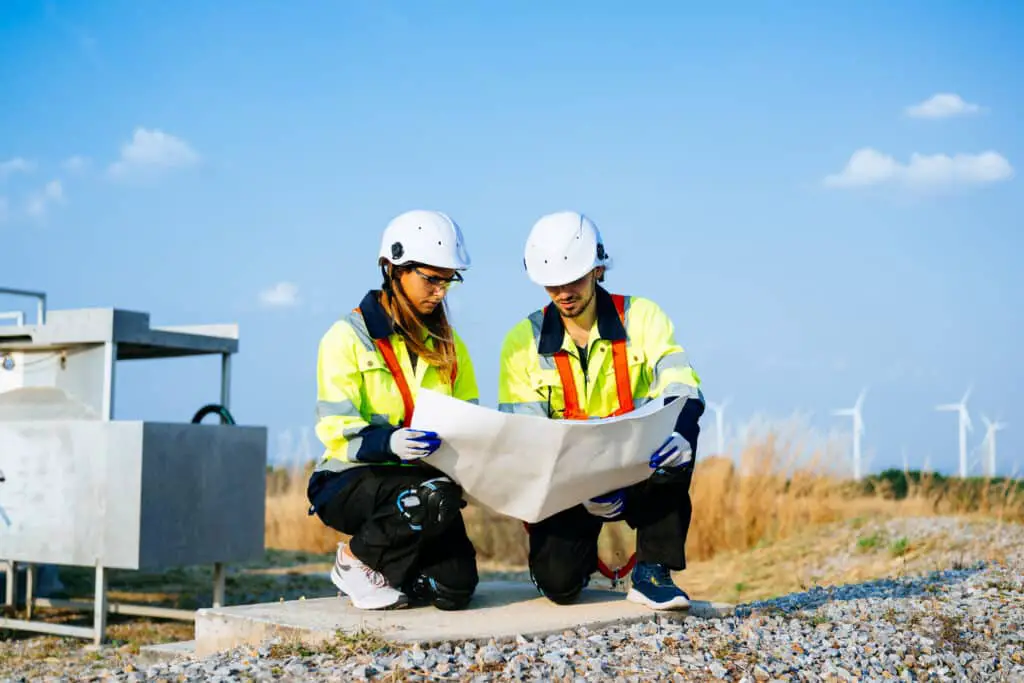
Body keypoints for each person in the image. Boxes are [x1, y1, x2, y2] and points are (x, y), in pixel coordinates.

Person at [497, 210, 705, 611]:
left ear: (597, 267)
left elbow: (682, 387)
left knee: (677, 452)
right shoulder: (521, 341)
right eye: (551, 284)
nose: (563, 293)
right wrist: (580, 487)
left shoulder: (642, 317)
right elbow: (527, 441)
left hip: (638, 469)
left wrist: (683, 434)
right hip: (568, 483)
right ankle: (568, 563)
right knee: (559, 586)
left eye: (573, 278)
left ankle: (653, 572)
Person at [306, 209, 480, 611]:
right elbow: (335, 427)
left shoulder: (450, 347)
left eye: (447, 280)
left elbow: (470, 419)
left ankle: (389, 573)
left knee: (454, 589)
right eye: (431, 279)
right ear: (393, 268)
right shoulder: (346, 338)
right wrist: (390, 442)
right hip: (349, 478)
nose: (440, 292)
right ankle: (355, 561)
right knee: (431, 495)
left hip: (423, 484)